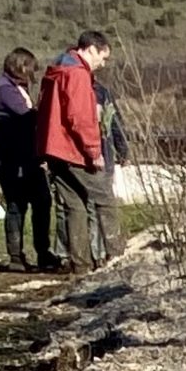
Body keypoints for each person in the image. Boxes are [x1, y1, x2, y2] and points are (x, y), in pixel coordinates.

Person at [34, 31, 111, 272]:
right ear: (90, 50)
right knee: (105, 199)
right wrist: (93, 150)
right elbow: (80, 118)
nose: (103, 63)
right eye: (102, 56)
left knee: (74, 205)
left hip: (54, 148)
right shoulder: (77, 75)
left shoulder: (57, 72)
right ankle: (117, 256)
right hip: (73, 149)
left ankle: (80, 263)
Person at [0, 47, 58, 271]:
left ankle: (41, 250)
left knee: (41, 202)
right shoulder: (5, 90)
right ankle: (16, 255)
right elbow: (27, 116)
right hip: (13, 157)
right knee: (17, 205)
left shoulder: (17, 88)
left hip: (27, 155)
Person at [91, 78, 126, 266]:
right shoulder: (101, 91)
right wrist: (122, 148)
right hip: (100, 153)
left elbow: (115, 122)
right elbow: (115, 123)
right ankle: (104, 252)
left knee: (90, 207)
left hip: (99, 154)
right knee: (102, 204)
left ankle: (97, 254)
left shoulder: (102, 92)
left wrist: (122, 147)